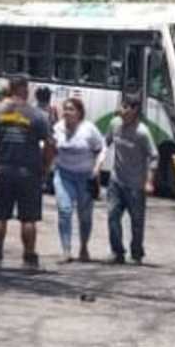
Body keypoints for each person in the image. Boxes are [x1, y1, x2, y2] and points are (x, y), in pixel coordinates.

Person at [0, 74, 55, 271]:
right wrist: (45, 167)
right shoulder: (36, 115)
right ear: (25, 89)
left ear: (10, 88)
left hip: (3, 170)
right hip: (29, 172)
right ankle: (29, 259)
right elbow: (50, 143)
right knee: (28, 219)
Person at [105, 95, 156, 265]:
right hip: (116, 181)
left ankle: (136, 253)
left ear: (135, 110)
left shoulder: (142, 132)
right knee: (112, 216)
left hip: (135, 184)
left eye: (126, 107)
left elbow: (154, 157)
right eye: (122, 106)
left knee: (136, 221)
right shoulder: (114, 124)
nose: (122, 110)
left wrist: (149, 181)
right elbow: (105, 143)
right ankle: (117, 252)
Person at [52, 97, 103, 263]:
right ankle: (66, 250)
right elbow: (50, 147)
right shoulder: (58, 128)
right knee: (64, 210)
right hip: (63, 175)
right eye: (65, 109)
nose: (67, 112)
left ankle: (84, 247)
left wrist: (97, 168)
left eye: (71, 109)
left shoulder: (89, 129)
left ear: (79, 113)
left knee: (85, 216)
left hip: (85, 177)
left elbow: (101, 149)